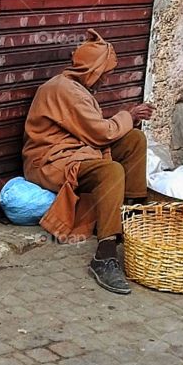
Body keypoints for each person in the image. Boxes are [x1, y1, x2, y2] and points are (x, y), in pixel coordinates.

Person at [22, 30, 154, 295]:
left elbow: (96, 131)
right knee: (111, 171)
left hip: (77, 151)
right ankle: (105, 254)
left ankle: (132, 215)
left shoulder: (75, 88)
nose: (106, 80)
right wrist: (127, 114)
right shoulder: (63, 90)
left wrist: (129, 120)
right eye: (104, 74)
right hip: (50, 162)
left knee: (134, 138)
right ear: (92, 71)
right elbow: (101, 133)